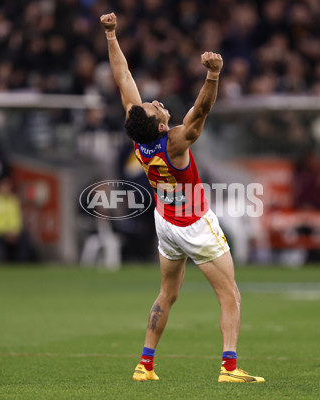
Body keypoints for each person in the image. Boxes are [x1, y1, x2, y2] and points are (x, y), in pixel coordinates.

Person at [100, 12, 264, 383]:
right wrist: (214, 74)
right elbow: (201, 111)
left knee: (167, 293)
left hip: (166, 223)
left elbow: (122, 77)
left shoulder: (138, 136)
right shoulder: (173, 142)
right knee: (230, 294)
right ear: (159, 124)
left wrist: (111, 35)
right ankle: (230, 369)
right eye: (154, 106)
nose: (155, 101)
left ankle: (145, 364)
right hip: (194, 223)